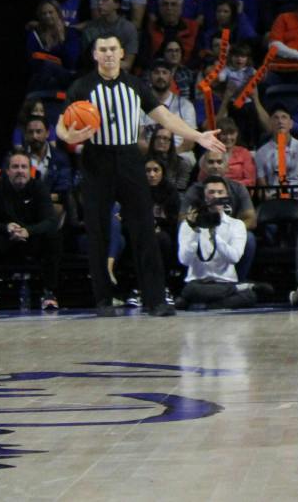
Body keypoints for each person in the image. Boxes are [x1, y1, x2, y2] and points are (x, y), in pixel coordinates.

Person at [54, 36, 224, 317]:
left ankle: (155, 299)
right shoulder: (82, 86)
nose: (108, 54)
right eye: (103, 49)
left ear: (122, 53)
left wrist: (196, 136)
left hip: (130, 158)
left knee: (144, 227)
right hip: (96, 159)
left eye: (113, 49)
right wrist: (68, 136)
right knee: (98, 230)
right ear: (95, 54)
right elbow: (61, 125)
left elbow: (165, 118)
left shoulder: (135, 85)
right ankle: (103, 300)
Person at [177, 176, 261, 309]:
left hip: (225, 282)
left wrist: (214, 236)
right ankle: (235, 292)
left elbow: (234, 258)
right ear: (205, 197)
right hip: (198, 283)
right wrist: (195, 231)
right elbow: (184, 260)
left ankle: (205, 306)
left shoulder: (236, 225)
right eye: (211, 192)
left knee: (250, 297)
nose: (216, 196)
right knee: (189, 291)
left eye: (220, 192)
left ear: (227, 196)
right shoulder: (189, 225)